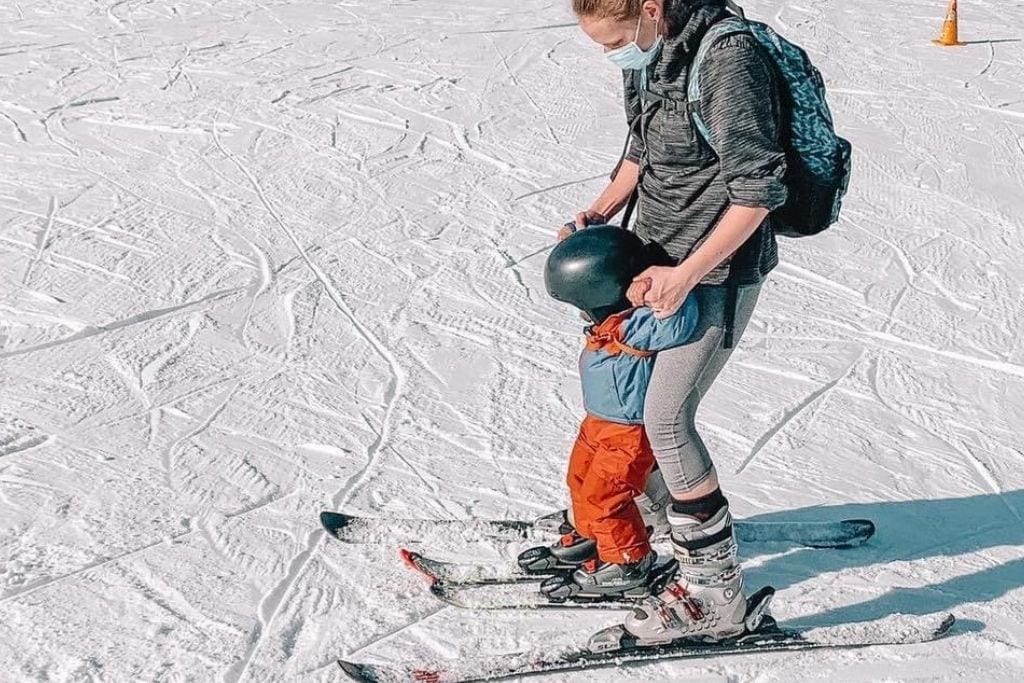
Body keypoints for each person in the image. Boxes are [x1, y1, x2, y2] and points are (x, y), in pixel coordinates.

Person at [559, 0, 787, 645]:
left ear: (651, 9)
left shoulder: (727, 58)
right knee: (630, 407)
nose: (614, 55)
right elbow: (640, 150)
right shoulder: (649, 51)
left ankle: (718, 601)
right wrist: (601, 210)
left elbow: (758, 190)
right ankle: (653, 525)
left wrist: (686, 273)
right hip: (652, 266)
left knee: (665, 419)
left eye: (614, 41)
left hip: (714, 276)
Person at [523, 225, 700, 600]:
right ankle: (592, 539)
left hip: (628, 434)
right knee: (581, 481)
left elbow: (679, 322)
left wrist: (661, 287)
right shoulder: (609, 324)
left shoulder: (637, 327)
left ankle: (629, 563)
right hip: (597, 424)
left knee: (608, 497)